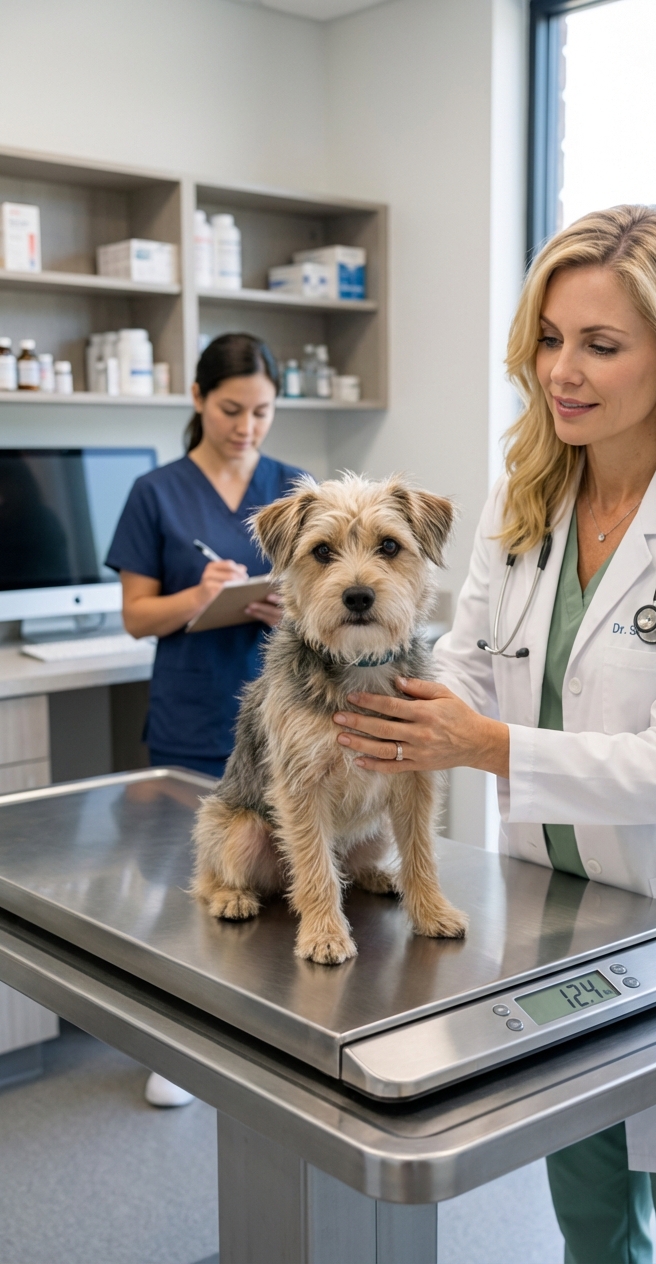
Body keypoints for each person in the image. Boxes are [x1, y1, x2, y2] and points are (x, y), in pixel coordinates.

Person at [328, 206, 656, 1264]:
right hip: (558, 933)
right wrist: (360, 670)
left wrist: (480, 744)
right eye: (549, 338)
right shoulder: (530, 493)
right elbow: (466, 658)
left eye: (600, 345)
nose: (561, 370)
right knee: (590, 1229)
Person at [107, 332, 307, 1106]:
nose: (247, 427)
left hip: (283, 709)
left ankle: (276, 1037)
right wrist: (198, 599)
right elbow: (134, 617)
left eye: (262, 412)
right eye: (231, 409)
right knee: (196, 884)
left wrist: (288, 600)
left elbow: (330, 592)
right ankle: (183, 1049)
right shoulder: (156, 493)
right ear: (198, 400)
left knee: (283, 877)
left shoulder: (293, 486)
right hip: (193, 716)